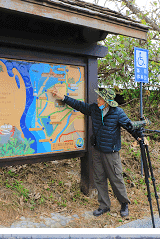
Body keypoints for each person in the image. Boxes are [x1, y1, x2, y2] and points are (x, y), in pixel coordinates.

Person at [48, 87, 138, 218]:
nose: (97, 99)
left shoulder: (118, 112)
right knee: (99, 179)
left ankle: (124, 203)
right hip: (97, 150)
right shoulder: (95, 109)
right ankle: (104, 206)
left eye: (100, 98)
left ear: (106, 101)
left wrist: (140, 137)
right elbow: (80, 105)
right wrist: (63, 97)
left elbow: (130, 126)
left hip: (111, 152)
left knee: (116, 178)